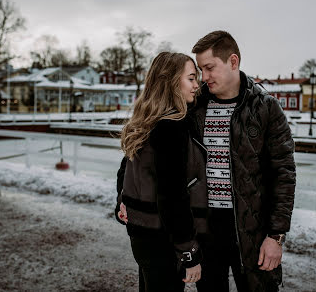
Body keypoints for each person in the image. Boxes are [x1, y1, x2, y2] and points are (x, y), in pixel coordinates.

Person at [190, 31, 296, 292]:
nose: (204, 77)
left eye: (210, 68)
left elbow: (284, 174)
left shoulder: (266, 108)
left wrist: (276, 237)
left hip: (253, 235)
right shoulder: (194, 106)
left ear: (233, 61)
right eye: (201, 70)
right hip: (205, 233)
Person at [115, 52, 209, 292]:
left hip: (142, 235)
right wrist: (189, 252)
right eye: (191, 78)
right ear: (171, 82)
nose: (197, 85)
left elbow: (125, 171)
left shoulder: (146, 121)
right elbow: (173, 196)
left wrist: (122, 202)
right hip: (163, 239)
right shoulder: (171, 128)